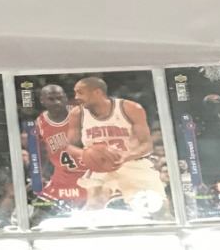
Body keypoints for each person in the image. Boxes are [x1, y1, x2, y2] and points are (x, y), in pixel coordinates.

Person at [71, 75, 166, 214]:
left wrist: (126, 156)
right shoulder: (77, 113)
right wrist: (87, 154)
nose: (76, 97)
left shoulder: (130, 108)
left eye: (80, 93)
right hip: (101, 165)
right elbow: (69, 145)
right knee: (95, 205)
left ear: (97, 92)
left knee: (159, 209)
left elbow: (147, 145)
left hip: (132, 162)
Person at [23, 81, 86, 211]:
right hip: (61, 179)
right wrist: (38, 177)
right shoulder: (40, 123)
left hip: (87, 176)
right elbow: (41, 154)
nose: (57, 102)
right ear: (42, 101)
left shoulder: (81, 115)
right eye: (51, 99)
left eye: (60, 98)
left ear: (66, 98)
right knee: (36, 214)